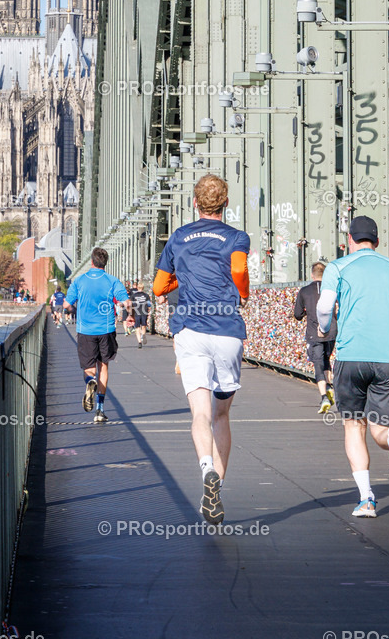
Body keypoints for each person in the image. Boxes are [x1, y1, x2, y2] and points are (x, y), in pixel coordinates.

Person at [317, 215, 389, 519]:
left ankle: (367, 499)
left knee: (354, 424)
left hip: (351, 356)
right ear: (378, 242)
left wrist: (325, 329)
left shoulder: (338, 267)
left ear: (349, 240)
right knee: (381, 427)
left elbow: (325, 307)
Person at [153, 174, 250, 525]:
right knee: (221, 414)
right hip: (227, 332)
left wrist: (182, 279)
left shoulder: (179, 237)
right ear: (225, 203)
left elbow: (159, 286)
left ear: (195, 203)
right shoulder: (237, 237)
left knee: (199, 414)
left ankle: (205, 467)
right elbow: (238, 268)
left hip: (190, 331)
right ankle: (216, 489)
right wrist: (243, 292)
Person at [64, 248, 128, 423]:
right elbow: (126, 302)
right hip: (106, 330)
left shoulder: (79, 281)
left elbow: (66, 304)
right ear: (105, 263)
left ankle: (89, 381)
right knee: (104, 368)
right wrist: (130, 316)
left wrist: (76, 310)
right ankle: (99, 410)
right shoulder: (112, 281)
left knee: (89, 368)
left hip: (85, 331)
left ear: (91, 262)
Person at [293, 261, 336, 414]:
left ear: (312, 275)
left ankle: (324, 396)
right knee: (326, 358)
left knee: (317, 363)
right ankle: (329, 385)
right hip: (331, 330)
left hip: (313, 332)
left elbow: (297, 314)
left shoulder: (305, 291)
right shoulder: (331, 290)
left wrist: (306, 311)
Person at [129, 281, 152, 348]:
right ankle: (143, 335)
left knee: (137, 327)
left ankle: (139, 342)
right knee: (143, 325)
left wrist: (130, 314)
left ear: (137, 287)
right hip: (144, 312)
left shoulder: (133, 295)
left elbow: (131, 305)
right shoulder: (146, 295)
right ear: (143, 288)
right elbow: (149, 305)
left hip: (136, 312)